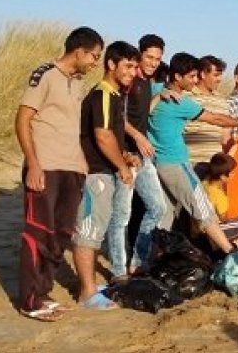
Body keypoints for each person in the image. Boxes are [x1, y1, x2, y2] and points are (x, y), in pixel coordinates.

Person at [14, 27, 103, 322]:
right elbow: (23, 119)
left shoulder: (78, 82)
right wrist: (33, 163)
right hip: (46, 166)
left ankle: (43, 291)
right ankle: (30, 299)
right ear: (78, 50)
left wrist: (84, 163)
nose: (95, 61)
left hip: (73, 168)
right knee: (38, 232)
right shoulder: (45, 75)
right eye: (93, 55)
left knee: (61, 235)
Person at [147, 52, 238, 255]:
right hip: (178, 162)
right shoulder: (181, 102)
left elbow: (146, 106)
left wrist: (159, 94)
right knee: (202, 208)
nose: (194, 81)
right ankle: (230, 252)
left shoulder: (159, 92)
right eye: (192, 76)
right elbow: (216, 120)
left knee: (165, 214)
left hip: (162, 163)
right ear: (178, 77)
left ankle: (152, 259)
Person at [71, 41, 139, 311]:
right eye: (128, 66)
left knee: (96, 230)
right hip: (95, 174)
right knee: (87, 232)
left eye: (135, 67)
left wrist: (124, 155)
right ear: (111, 64)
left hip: (104, 171)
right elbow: (101, 135)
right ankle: (87, 292)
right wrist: (122, 167)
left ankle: (90, 285)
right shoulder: (102, 94)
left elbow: (111, 135)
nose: (132, 72)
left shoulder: (113, 95)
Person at [123, 34, 170, 275]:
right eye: (149, 57)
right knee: (123, 213)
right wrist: (138, 136)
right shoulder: (129, 79)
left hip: (143, 154)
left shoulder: (146, 83)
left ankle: (137, 261)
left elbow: (141, 114)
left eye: (157, 59)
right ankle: (126, 265)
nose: (153, 62)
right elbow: (117, 117)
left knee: (152, 207)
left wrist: (158, 97)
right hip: (125, 153)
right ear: (139, 55)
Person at [201, 153, 238, 246]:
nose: (234, 175)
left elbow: (219, 162)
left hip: (201, 230)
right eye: (232, 173)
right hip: (212, 233)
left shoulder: (205, 182)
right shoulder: (218, 195)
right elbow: (224, 219)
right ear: (223, 177)